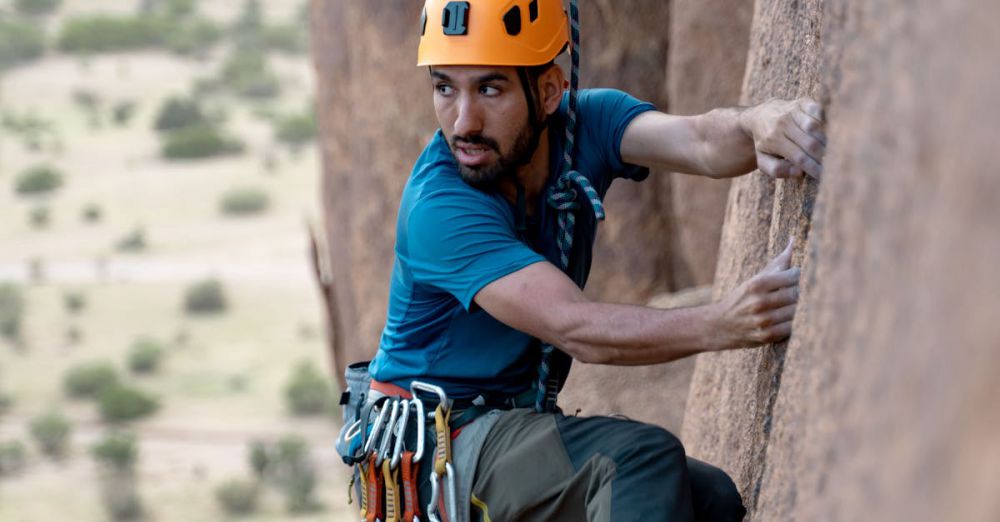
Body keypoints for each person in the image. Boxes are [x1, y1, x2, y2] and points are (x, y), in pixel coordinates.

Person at [355, 0, 827, 520]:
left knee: (709, 499)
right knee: (639, 460)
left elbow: (699, 142)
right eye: (445, 87)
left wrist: (759, 123)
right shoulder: (440, 208)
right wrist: (724, 323)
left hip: (500, 431)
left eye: (490, 88)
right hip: (437, 448)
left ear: (550, 90)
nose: (463, 121)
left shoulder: (584, 124)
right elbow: (575, 327)